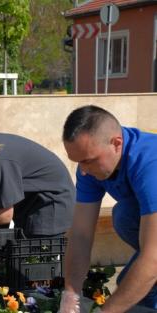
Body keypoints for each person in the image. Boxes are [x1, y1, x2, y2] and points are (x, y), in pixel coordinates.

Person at [60, 105, 157, 312]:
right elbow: (81, 235)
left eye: (88, 161)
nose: (83, 171)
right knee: (124, 214)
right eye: (78, 162)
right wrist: (71, 294)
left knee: (136, 289)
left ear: (116, 144)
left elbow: (153, 257)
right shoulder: (89, 168)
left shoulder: (150, 163)